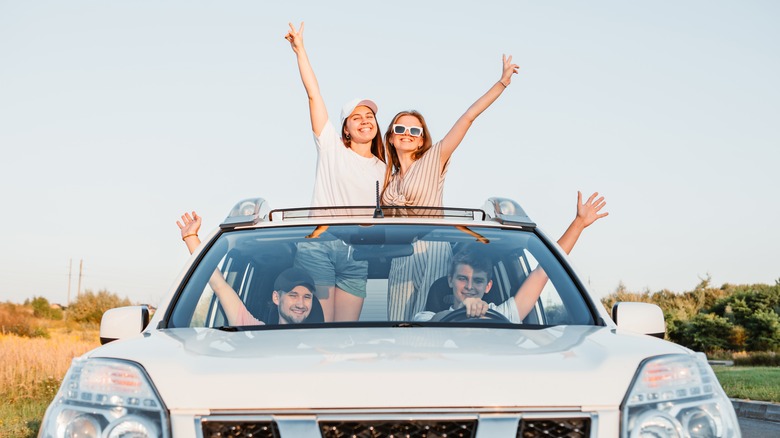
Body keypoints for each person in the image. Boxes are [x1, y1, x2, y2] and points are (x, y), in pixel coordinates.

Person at [381, 55, 520, 320]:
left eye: (415, 131)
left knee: (428, 321)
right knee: (396, 323)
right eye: (400, 128)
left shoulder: (434, 159)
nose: (407, 134)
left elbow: (468, 118)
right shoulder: (387, 176)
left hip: (433, 246)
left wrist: (501, 83)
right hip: (401, 254)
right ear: (390, 136)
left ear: (422, 140)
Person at [285, 22, 387, 322]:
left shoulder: (385, 169)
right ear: (345, 127)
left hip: (358, 252)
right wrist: (300, 50)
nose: (365, 121)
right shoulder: (331, 148)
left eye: (370, 116)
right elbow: (314, 96)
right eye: (357, 117)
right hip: (320, 244)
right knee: (322, 329)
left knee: (345, 333)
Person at [414, 191, 609, 322]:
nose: (470, 286)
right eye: (462, 278)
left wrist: (579, 223)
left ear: (488, 286)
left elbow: (543, 272)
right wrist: (462, 310)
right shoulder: (424, 318)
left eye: (479, 280)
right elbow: (430, 323)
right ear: (450, 280)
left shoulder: (502, 315)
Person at [177, 211, 315, 326]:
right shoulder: (255, 331)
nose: (300, 304)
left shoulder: (325, 341)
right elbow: (219, 285)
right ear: (276, 298)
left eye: (307, 297)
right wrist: (191, 237)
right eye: (293, 295)